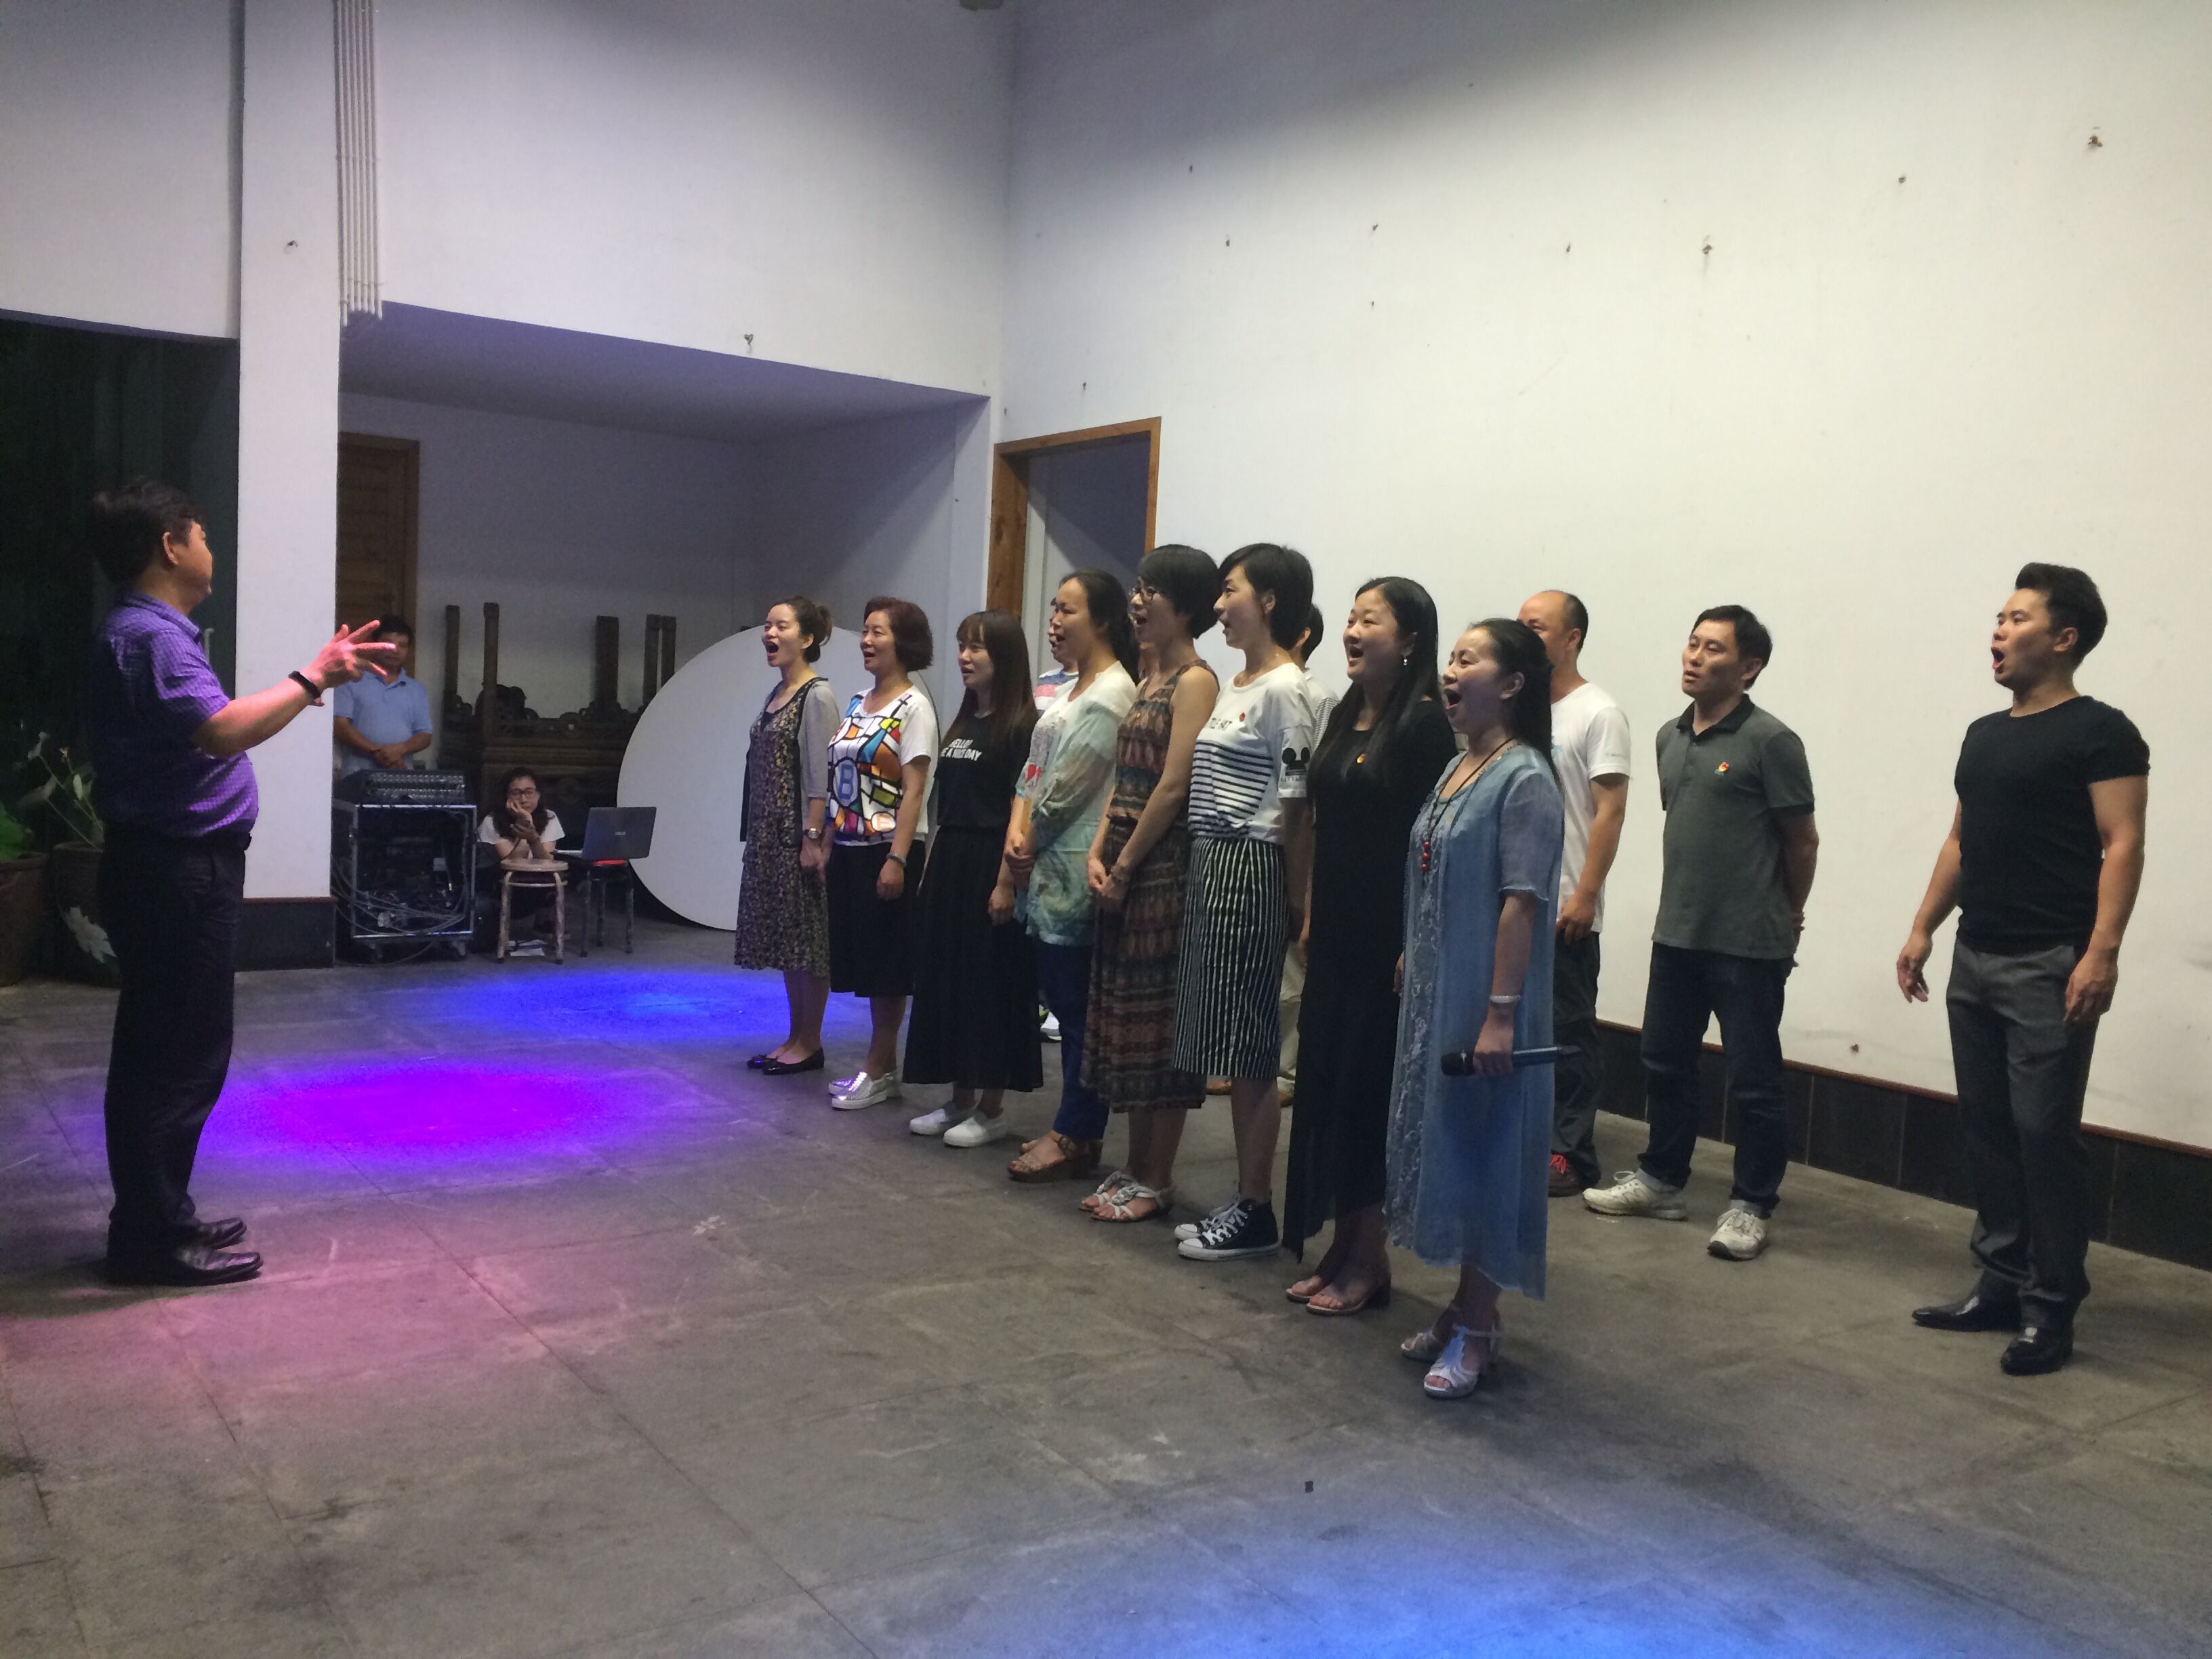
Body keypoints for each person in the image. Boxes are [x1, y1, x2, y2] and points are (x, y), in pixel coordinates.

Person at [85, 478, 398, 1287]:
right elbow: (223, 731)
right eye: (201, 534)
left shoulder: (151, 632)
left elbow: (216, 729)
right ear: (170, 546)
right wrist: (313, 677)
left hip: (173, 865)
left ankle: (160, 1215)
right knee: (176, 1055)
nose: (210, 548)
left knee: (168, 1048)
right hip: (176, 869)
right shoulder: (151, 637)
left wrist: (311, 678)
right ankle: (150, 1240)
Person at [1897, 565, 2148, 1376]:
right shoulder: (1984, 734)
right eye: (1999, 619)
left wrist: (2101, 952)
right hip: (1977, 953)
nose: (1998, 631)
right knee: (1989, 1128)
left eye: (2016, 618)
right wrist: (1924, 928)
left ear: (2064, 638)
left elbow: (2123, 842)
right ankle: (2001, 1282)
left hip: (2051, 962)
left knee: (2044, 1135)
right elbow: (1960, 840)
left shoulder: (2101, 732)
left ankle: (2051, 1305)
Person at [1584, 606, 1819, 1262]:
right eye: (1692, 644)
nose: (1694, 657)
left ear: (1749, 667)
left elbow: (1801, 841)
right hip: (1678, 934)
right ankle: (1662, 1180)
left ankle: (1751, 1204)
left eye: (1713, 649)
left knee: (1754, 1078)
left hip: (1749, 943)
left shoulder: (1772, 741)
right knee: (1664, 1061)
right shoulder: (1670, 736)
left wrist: (1791, 911)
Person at [1386, 619, 1565, 1397]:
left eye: (1468, 659)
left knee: (1488, 1149)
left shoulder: (1524, 778)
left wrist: (1499, 1014)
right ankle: (1462, 1305)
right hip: (1440, 987)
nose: (1450, 672)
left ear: (1514, 683)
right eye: (1450, 659)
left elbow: (1520, 903)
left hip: (1489, 997)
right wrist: (1416, 948)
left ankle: (1482, 1325)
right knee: (1453, 1145)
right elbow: (1435, 871)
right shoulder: (1459, 767)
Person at [1282, 579, 1457, 1314]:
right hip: (1336, 933)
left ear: (1409, 640)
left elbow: (1431, 845)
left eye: (1370, 621)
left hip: (1388, 940)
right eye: (1351, 619)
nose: (1353, 631)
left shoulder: (1424, 727)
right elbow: (1323, 823)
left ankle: (1369, 1256)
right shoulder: (1344, 713)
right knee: (1327, 1087)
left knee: (1368, 1095)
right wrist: (1311, 906)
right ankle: (1339, 1244)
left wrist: (1418, 939)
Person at [1171, 544, 1319, 1263]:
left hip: (1252, 864)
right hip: (1211, 859)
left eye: (1230, 590)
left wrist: (1299, 902)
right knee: (1232, 1044)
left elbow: (1297, 806)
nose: (1219, 605)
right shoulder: (1237, 683)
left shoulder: (1287, 689)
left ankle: (1257, 1207)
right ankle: (1244, 1195)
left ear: (1269, 600)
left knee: (1253, 1047)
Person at [1080, 546, 1221, 1223]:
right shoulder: (1148, 675)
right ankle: (1134, 1167)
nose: (1137, 603)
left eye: (1151, 592)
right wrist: (1097, 850)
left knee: (1159, 1026)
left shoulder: (1196, 680)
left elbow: (1173, 783)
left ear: (1185, 607)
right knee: (1127, 1023)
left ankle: (1157, 1177)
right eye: (1136, 589)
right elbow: (1125, 778)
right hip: (1124, 855)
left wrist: (1126, 864)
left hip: (1162, 865)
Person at [1004, 572, 1140, 1183]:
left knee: (1077, 1013)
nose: (1055, 621)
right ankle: (1071, 1126)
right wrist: (1017, 833)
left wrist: (1027, 840)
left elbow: (1070, 788)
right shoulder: (1065, 690)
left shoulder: (1112, 693)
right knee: (1061, 1000)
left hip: (1073, 867)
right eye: (1054, 609)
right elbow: (1033, 772)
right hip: (1042, 865)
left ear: (1103, 620)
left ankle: (1078, 1132)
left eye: (1069, 611)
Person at [904, 610, 1042, 1145]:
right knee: (952, 981)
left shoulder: (1022, 726)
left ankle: (991, 1107)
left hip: (990, 859)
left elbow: (1021, 807)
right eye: (962, 646)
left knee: (990, 982)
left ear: (1003, 657)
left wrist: (1006, 882)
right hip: (953, 859)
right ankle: (959, 1098)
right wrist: (931, 867)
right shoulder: (963, 722)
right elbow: (947, 802)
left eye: (976, 648)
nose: (964, 657)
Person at [1517, 590, 1631, 1198]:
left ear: (1572, 639)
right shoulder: (1517, 707)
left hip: (1564, 901)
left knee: (1568, 1031)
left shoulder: (1597, 712)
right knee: (1515, 1027)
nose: (1523, 635)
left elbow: (1610, 810)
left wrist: (1586, 894)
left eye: (1536, 627)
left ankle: (1569, 1152)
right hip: (1513, 898)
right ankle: (1524, 1139)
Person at [823, 598, 939, 1109]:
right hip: (849, 847)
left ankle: (878, 1066)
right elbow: (839, 781)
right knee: (865, 961)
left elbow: (914, 791)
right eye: (866, 632)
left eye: (878, 632)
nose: (867, 641)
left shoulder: (914, 707)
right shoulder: (856, 701)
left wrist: (898, 859)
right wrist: (828, 841)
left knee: (888, 964)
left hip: (887, 848)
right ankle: (883, 1067)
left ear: (903, 642)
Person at [734, 596, 838, 1074]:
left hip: (795, 838)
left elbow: (821, 776)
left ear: (807, 638)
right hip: (768, 839)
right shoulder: (777, 693)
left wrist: (813, 838)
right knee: (787, 946)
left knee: (807, 945)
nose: (769, 634)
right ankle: (796, 1036)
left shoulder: (816, 695)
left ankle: (810, 1043)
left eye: (781, 625)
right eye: (767, 625)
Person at [1273, 602, 1337, 1105]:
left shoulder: (1319, 698)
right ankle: (1251, 1064)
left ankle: (1286, 1073)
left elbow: (1313, 787)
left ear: (1302, 635)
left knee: (1293, 968)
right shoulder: (1255, 688)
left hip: (1300, 840)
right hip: (1261, 844)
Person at [331, 615, 434, 775]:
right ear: (374, 644)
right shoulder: (351, 680)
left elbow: (425, 734)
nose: (395, 651)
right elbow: (340, 726)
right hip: (357, 775)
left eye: (402, 646)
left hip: (401, 774)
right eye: (388, 644)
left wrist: (400, 749)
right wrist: (378, 752)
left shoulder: (416, 689)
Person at [479, 767, 565, 953]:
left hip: (539, 877)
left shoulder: (550, 818)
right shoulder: (492, 821)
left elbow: (547, 862)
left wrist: (534, 838)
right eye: (516, 793)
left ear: (538, 795)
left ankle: (545, 922)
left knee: (564, 872)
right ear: (506, 796)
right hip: (502, 881)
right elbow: (513, 863)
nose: (523, 799)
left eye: (529, 792)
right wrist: (525, 823)